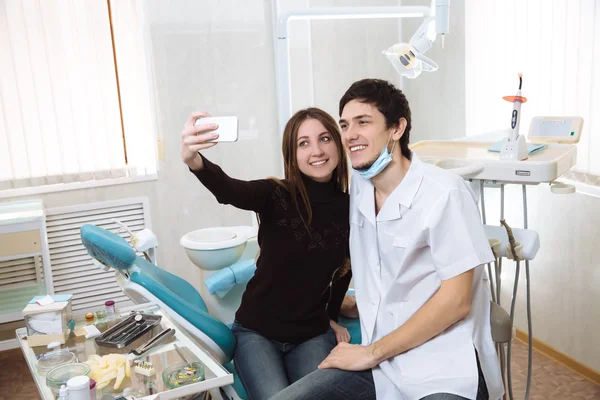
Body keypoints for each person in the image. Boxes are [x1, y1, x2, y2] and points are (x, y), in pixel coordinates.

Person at [270, 79, 504, 400]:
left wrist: (371, 353)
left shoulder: (445, 193)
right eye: (345, 125)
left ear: (396, 128)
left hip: (444, 366)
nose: (349, 134)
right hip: (384, 366)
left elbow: (457, 301)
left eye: (363, 122)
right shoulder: (360, 190)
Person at [180, 108, 353, 400]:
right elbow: (230, 191)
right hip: (256, 332)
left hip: (310, 333)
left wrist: (332, 317)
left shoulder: (353, 207)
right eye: (304, 143)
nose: (317, 150)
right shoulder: (276, 195)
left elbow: (343, 271)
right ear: (292, 153)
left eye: (324, 139)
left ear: (337, 143)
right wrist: (193, 160)